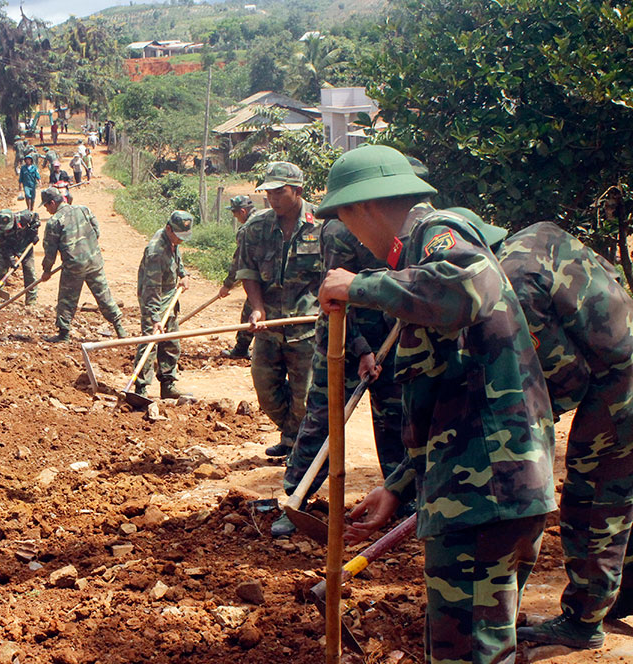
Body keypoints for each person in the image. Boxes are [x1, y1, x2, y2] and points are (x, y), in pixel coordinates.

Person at [317, 145, 555, 664]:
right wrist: (398, 488)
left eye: (347, 224)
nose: (354, 241)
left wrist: (360, 286)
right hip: (492, 491)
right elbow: (454, 401)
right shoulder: (419, 269)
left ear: (364, 208)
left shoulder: (436, 233)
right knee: (484, 649)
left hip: (483, 497)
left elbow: (470, 286)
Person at [497, 223, 633, 649]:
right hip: (622, 365)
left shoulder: (512, 281)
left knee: (594, 504)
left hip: (618, 386)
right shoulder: (537, 235)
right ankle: (616, 598)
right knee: (623, 493)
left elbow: (569, 378)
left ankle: (583, 622)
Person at [269, 217, 406, 536]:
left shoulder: (412, 230)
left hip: (392, 338)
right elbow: (335, 296)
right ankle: (296, 498)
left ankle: (401, 497)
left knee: (395, 419)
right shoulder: (342, 231)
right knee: (323, 421)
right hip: (341, 339)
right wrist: (361, 349)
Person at [236, 162, 321, 458]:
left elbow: (335, 274)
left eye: (279, 191)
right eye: (268, 192)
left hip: (307, 329)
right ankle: (293, 436)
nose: (272, 198)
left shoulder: (322, 225)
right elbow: (247, 271)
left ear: (297, 190)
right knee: (266, 392)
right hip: (269, 329)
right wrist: (257, 309)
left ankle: (298, 446)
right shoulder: (256, 226)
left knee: (305, 398)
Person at [39, 187, 126, 343]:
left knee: (67, 299)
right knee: (104, 295)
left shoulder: (54, 221)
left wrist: (47, 270)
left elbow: (50, 251)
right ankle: (120, 329)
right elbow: (96, 232)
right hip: (94, 261)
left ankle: (63, 334)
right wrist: (87, 246)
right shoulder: (83, 210)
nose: (46, 209)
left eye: (46, 205)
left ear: (53, 203)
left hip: (73, 266)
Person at [134, 211, 192, 400]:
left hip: (169, 296)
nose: (181, 240)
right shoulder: (156, 251)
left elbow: (177, 258)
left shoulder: (173, 241)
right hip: (154, 298)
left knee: (171, 341)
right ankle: (140, 387)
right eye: (178, 235)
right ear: (169, 229)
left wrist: (183, 274)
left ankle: (168, 384)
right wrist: (155, 317)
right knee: (151, 342)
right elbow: (151, 289)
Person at [218, 195, 257, 359]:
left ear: (243, 211)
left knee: (251, 310)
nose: (235, 217)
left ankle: (241, 349)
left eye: (235, 213)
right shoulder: (265, 218)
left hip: (259, 279)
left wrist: (228, 284)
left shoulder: (247, 229)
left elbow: (239, 261)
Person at [0, 209, 40, 307]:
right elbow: (2, 247)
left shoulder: (24, 217)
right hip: (8, 247)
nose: (7, 230)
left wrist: (34, 233)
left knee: (29, 272)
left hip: (25, 246)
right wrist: (11, 258)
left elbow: (36, 218)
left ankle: (31, 302)